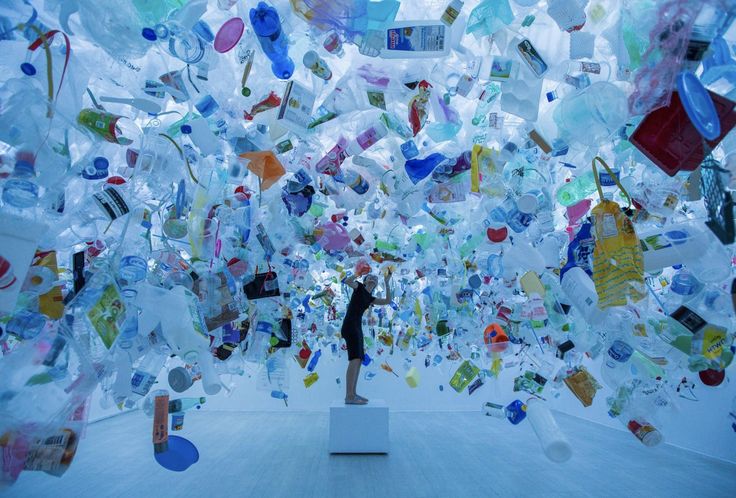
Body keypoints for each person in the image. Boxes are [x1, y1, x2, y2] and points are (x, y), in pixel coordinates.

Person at [342, 269, 392, 404]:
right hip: (350, 326)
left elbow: (388, 300)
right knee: (354, 359)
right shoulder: (358, 288)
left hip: (356, 327)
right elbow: (347, 281)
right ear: (365, 280)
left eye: (375, 278)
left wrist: (386, 282)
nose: (373, 278)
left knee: (358, 359)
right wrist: (359, 273)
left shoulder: (370, 298)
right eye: (370, 276)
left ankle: (353, 393)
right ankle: (349, 396)